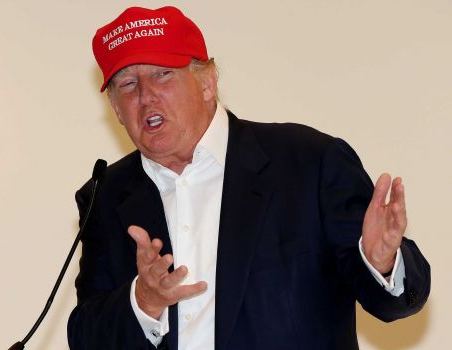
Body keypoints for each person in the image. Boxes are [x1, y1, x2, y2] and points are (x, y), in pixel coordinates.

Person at [67, 6, 430, 350]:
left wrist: (382, 261)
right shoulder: (106, 195)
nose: (146, 97)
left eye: (163, 74)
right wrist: (143, 301)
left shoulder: (309, 162)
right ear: (116, 109)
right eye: (128, 84)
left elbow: (392, 304)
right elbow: (87, 337)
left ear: (207, 82)